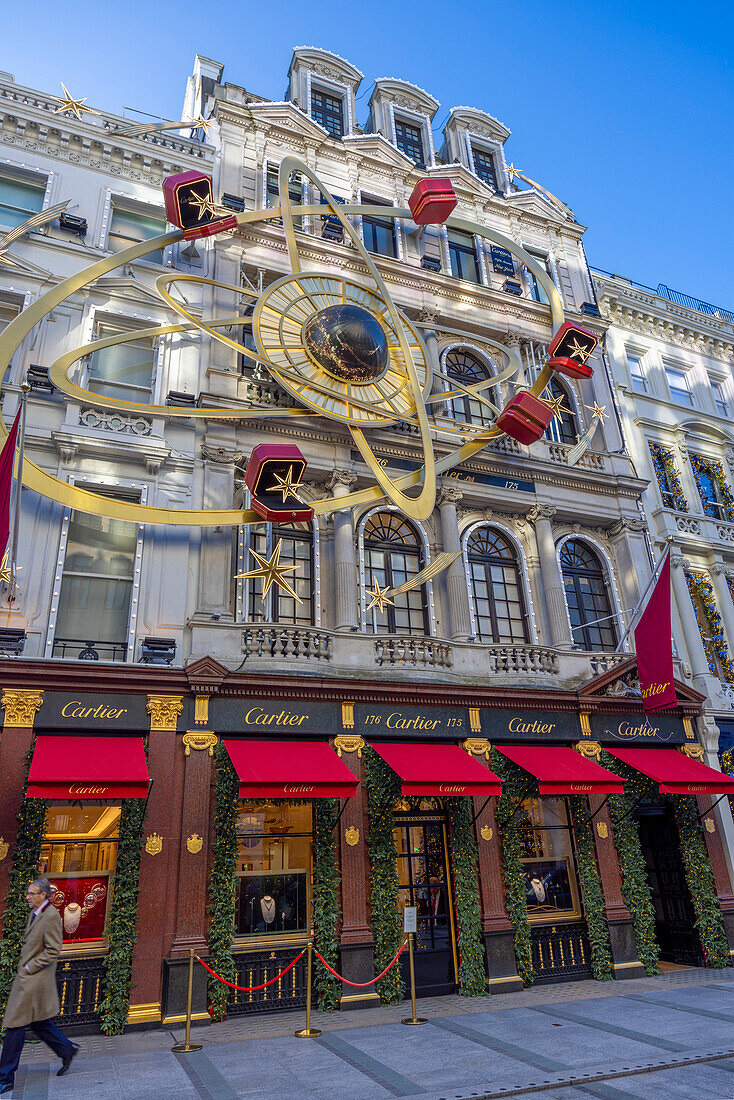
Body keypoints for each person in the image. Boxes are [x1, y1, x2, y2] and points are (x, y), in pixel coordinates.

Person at [0, 879, 79, 1094]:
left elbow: (53, 950)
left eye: (31, 893)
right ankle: (67, 1049)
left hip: (34, 980)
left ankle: (5, 1077)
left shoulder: (51, 916)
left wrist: (28, 967)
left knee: (14, 1026)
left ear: (43, 895)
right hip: (29, 979)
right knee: (38, 1023)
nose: (27, 896)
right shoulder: (35, 912)